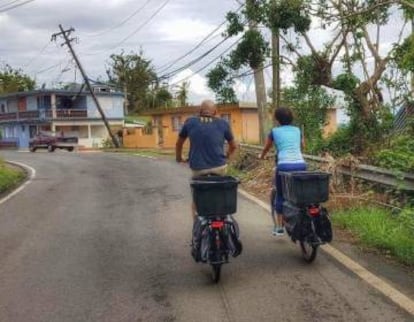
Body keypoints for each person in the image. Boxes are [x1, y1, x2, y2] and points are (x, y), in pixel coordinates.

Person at [175, 99, 238, 221]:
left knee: (196, 199)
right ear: (215, 112)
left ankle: (197, 229)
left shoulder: (190, 122)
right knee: (220, 193)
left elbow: (179, 144)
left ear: (199, 111)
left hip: (199, 169)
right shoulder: (223, 124)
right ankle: (222, 219)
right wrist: (227, 155)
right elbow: (233, 146)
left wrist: (179, 158)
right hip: (219, 167)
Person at [259, 107, 306, 236]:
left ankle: (279, 227)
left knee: (280, 194)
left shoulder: (274, 131)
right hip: (301, 165)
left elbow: (267, 148)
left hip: (284, 165)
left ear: (277, 119)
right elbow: (303, 146)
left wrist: (261, 156)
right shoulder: (297, 130)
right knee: (300, 193)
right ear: (291, 118)